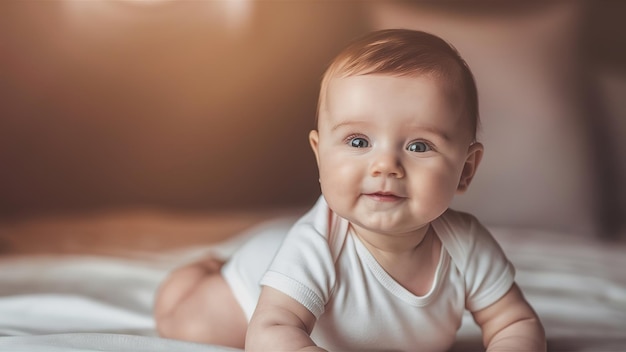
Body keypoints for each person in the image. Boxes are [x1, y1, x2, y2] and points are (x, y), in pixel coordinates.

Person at [154, 29, 546, 351]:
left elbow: (514, 320)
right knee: (187, 322)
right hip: (256, 281)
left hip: (279, 246)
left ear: (466, 169)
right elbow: (272, 329)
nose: (385, 166)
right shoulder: (318, 245)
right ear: (319, 154)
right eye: (358, 141)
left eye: (418, 146)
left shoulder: (467, 246)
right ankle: (203, 270)